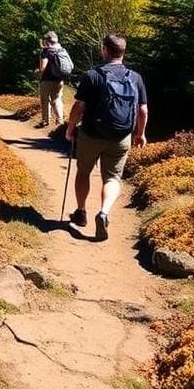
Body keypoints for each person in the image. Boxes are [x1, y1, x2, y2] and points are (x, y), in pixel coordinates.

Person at [64, 34, 148, 241]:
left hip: (91, 133)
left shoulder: (93, 75)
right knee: (112, 177)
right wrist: (140, 133)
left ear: (104, 50)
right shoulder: (135, 77)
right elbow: (143, 110)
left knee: (83, 171)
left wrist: (70, 128)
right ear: (123, 52)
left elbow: (78, 106)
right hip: (120, 137)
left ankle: (81, 212)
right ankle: (103, 213)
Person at [37, 30, 66, 129]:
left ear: (47, 40)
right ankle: (60, 120)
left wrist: (39, 73)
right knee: (57, 99)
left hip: (47, 79)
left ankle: (45, 120)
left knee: (45, 99)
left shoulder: (46, 51)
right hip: (59, 79)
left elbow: (43, 67)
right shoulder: (61, 49)